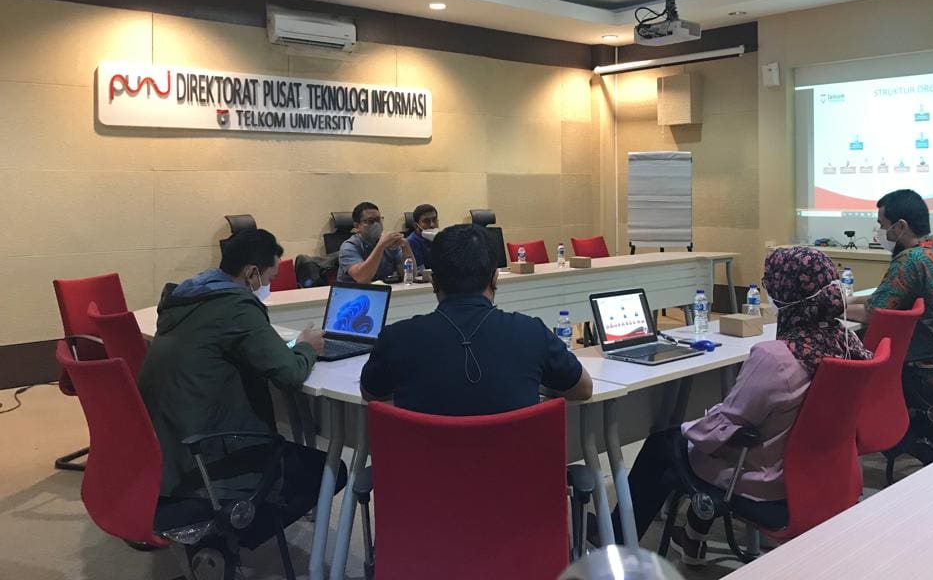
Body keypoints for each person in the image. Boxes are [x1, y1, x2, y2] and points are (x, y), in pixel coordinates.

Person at [601, 247, 871, 566]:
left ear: (786, 294)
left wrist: (687, 428)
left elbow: (725, 424)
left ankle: (615, 545)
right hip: (824, 476)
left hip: (766, 480)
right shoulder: (847, 343)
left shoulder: (775, 358)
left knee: (663, 444)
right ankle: (692, 536)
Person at [138, 228, 331, 527]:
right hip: (207, 463)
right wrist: (307, 347)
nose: (268, 287)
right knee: (330, 470)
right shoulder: (236, 307)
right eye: (269, 279)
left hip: (169, 453)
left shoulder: (188, 298)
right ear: (251, 273)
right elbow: (290, 375)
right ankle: (240, 527)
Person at [360, 223, 593, 413]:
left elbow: (371, 394)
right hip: (512, 459)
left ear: (434, 281)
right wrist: (537, 383)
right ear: (495, 278)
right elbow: (582, 389)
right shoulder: (532, 332)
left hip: (424, 459)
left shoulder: (396, 338)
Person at [845, 188, 933, 457]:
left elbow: (875, 314)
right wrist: (847, 301)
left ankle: (898, 439)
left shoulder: (910, 260)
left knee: (855, 375)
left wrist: (833, 309)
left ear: (900, 226)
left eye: (883, 225)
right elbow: (885, 297)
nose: (880, 232)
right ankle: (926, 438)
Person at [339, 201, 415, 283]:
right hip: (354, 290)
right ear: (357, 226)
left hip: (385, 288)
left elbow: (411, 276)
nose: (376, 224)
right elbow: (362, 278)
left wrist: (405, 246)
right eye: (370, 221)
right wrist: (381, 245)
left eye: (378, 220)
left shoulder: (389, 244)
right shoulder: (349, 246)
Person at [405, 203, 439, 270]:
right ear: (416, 226)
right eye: (426, 221)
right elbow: (421, 271)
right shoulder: (412, 241)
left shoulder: (440, 237)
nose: (432, 225)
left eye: (434, 220)